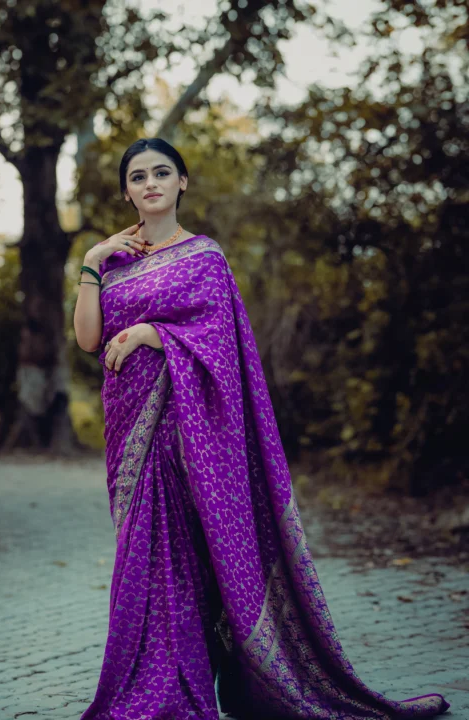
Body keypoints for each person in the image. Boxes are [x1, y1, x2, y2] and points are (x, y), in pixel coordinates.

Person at [72, 138, 450, 720]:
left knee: (206, 554)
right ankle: (160, 692)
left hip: (191, 429)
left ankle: (253, 685)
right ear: (126, 190)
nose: (150, 184)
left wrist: (155, 334)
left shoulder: (204, 256)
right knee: (146, 560)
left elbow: (221, 344)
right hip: (130, 432)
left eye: (162, 173)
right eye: (138, 176)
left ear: (182, 183)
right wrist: (91, 264)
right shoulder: (112, 261)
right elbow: (88, 339)